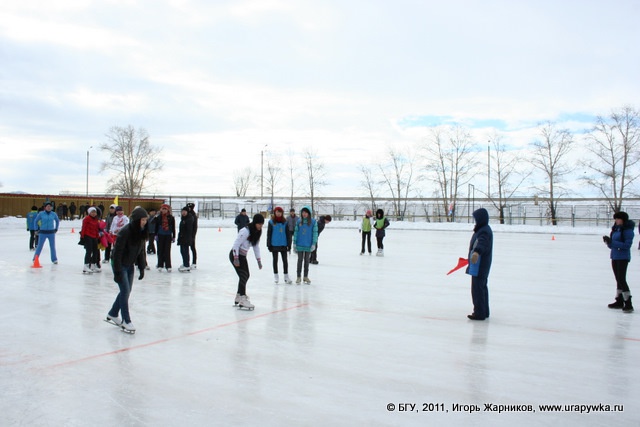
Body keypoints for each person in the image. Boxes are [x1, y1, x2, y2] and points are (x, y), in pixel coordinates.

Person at [105, 206, 149, 333]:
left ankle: (113, 313)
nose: (144, 222)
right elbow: (117, 253)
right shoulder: (125, 232)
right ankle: (126, 320)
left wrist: (141, 267)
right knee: (125, 291)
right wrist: (118, 271)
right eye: (142, 220)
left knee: (127, 291)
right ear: (136, 220)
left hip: (130, 265)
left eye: (145, 220)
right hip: (119, 264)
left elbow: (141, 251)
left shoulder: (141, 232)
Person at [229, 213, 264, 310]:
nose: (260, 226)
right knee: (243, 275)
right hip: (235, 255)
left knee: (246, 275)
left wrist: (258, 260)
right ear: (255, 223)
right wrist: (236, 258)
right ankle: (242, 298)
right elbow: (236, 244)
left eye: (262, 224)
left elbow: (256, 246)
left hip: (243, 256)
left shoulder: (257, 232)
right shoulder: (245, 231)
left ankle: (239, 295)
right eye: (259, 224)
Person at [603, 211, 634, 312]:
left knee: (621, 279)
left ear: (623, 220)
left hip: (623, 257)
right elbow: (612, 245)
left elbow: (627, 245)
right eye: (615, 219)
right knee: (618, 279)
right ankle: (619, 300)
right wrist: (608, 242)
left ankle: (628, 302)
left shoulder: (627, 230)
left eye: (618, 219)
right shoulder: (615, 229)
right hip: (615, 256)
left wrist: (612, 242)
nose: (616, 221)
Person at [466, 208, 493, 321]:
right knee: (482, 288)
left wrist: (476, 252)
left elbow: (482, 243)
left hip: (479, 265)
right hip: (480, 264)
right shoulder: (483, 229)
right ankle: (484, 311)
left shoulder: (484, 231)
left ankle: (479, 313)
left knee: (477, 289)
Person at [267, 207, 292, 284]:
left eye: (280, 212)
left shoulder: (285, 222)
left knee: (285, 261)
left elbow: (288, 234)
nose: (278, 213)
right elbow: (269, 234)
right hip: (274, 244)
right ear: (275, 212)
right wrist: (269, 244)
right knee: (275, 260)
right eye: (277, 212)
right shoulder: (271, 222)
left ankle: (286, 276)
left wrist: (289, 244)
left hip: (283, 244)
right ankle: (276, 276)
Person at [293, 206, 318, 284]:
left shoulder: (313, 222)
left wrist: (313, 243)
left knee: (307, 261)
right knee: (299, 260)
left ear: (309, 213)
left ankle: (305, 276)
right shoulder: (299, 222)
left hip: (308, 245)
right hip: (299, 244)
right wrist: (294, 243)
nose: (304, 214)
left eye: (306, 212)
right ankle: (298, 277)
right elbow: (296, 233)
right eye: (303, 212)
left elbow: (315, 233)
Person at [80, 207, 101, 273]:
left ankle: (93, 265)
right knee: (89, 251)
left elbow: (97, 228)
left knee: (95, 251)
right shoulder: (86, 219)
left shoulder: (96, 219)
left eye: (95, 212)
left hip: (94, 236)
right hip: (88, 236)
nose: (94, 213)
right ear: (89, 212)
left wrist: (97, 236)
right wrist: (82, 237)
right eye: (92, 212)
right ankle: (86, 265)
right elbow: (83, 227)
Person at [155, 204, 175, 272]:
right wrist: (155, 235)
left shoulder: (171, 217)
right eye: (163, 209)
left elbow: (173, 227)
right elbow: (156, 226)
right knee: (160, 250)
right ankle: (160, 265)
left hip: (168, 235)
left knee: (167, 250)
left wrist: (174, 236)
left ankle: (168, 265)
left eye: (165, 209)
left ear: (167, 210)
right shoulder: (158, 217)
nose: (164, 210)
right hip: (160, 234)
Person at [177, 206, 194, 272]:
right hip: (182, 237)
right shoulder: (183, 219)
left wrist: (186, 237)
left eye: (185, 211)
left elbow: (189, 230)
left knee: (185, 251)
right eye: (182, 211)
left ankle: (186, 265)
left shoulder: (189, 219)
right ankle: (185, 263)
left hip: (186, 238)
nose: (183, 213)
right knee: (182, 251)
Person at [186, 203, 198, 269]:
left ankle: (194, 262)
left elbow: (195, 227)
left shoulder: (193, 215)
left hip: (191, 235)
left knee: (192, 248)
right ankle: (186, 262)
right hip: (186, 234)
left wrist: (193, 235)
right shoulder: (187, 214)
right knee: (186, 249)